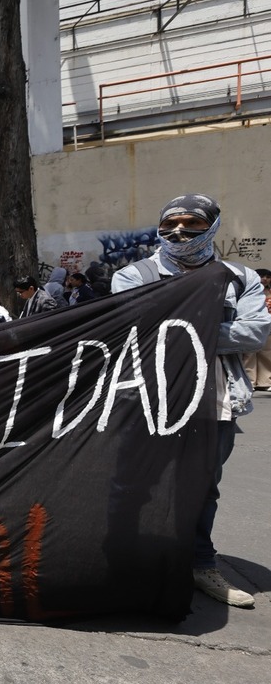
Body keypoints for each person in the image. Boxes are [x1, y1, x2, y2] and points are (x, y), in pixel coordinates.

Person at [112, 193, 271, 608]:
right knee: (134, 482)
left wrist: (179, 331)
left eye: (192, 225)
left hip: (217, 400)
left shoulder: (239, 278)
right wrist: (209, 328)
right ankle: (123, 559)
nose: (179, 233)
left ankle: (201, 564)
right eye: (170, 225)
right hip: (148, 399)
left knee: (204, 486)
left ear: (213, 226)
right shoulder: (134, 276)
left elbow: (255, 334)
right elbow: (136, 333)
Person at [243, 268, 271, 391]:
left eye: (268, 276)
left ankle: (265, 381)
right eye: (262, 276)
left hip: (269, 325)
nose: (265, 279)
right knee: (250, 353)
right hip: (251, 324)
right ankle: (249, 381)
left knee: (267, 353)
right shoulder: (248, 291)